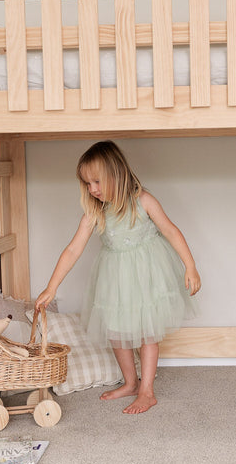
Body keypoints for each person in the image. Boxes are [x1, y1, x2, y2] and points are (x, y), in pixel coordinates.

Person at [35, 141, 200, 414]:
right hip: (115, 278)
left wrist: (190, 266)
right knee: (116, 332)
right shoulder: (95, 211)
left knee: (148, 332)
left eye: (97, 181)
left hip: (147, 274)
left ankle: (147, 391)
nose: (92, 189)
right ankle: (131, 382)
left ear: (116, 175)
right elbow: (73, 249)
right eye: (87, 184)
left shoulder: (143, 200)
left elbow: (171, 231)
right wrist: (52, 287)